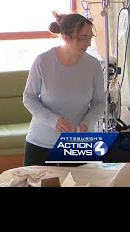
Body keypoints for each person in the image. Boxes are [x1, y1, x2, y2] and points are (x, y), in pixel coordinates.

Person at [22, 11, 105, 166]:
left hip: (78, 144)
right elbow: (29, 97)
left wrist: (88, 122)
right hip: (41, 142)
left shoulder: (94, 65)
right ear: (66, 37)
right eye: (83, 37)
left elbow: (99, 102)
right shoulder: (43, 61)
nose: (88, 43)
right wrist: (54, 120)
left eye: (90, 37)